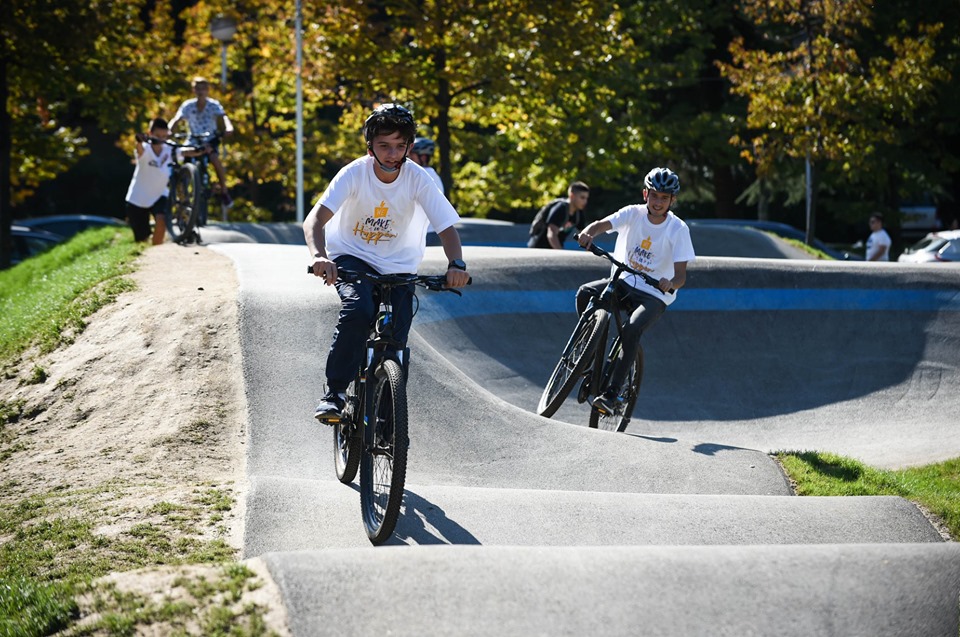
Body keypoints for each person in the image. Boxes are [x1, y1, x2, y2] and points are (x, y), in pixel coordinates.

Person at [304, 103, 471, 422]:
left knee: (397, 334)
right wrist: (320, 257)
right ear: (370, 147)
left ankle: (385, 416)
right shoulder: (355, 172)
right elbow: (315, 221)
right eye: (384, 145)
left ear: (409, 147)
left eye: (400, 146)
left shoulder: (418, 178)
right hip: (353, 257)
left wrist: (457, 265)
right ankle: (336, 392)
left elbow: (447, 228)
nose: (393, 153)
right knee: (359, 310)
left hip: (400, 267)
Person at [575, 167, 695, 415]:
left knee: (631, 330)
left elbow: (681, 275)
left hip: (654, 294)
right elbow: (602, 224)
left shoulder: (678, 229)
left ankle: (613, 393)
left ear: (673, 200)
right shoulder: (633, 214)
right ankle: (587, 350)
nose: (658, 202)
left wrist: (670, 283)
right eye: (654, 195)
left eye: (665, 197)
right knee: (585, 293)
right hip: (624, 281)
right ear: (645, 194)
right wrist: (588, 232)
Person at [168, 76, 235, 208]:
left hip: (210, 140)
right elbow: (176, 119)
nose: (200, 91)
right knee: (180, 159)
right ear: (193, 90)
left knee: (215, 159)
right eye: (198, 88)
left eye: (203, 88)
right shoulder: (188, 105)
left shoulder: (214, 105)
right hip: (193, 140)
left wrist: (229, 128)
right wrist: (169, 131)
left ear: (208, 90)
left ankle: (224, 190)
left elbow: (224, 117)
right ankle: (181, 193)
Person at [125, 118, 175, 244]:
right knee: (142, 239)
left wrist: (200, 150)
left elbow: (185, 152)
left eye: (164, 136)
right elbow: (139, 149)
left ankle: (156, 251)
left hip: (160, 194)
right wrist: (139, 141)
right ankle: (147, 254)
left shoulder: (170, 148)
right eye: (158, 136)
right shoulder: (145, 149)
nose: (161, 139)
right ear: (150, 133)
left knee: (161, 219)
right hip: (137, 199)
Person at [528, 181, 591, 249]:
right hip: (539, 249)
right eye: (582, 197)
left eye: (586, 198)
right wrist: (561, 253)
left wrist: (589, 249)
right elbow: (551, 234)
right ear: (572, 196)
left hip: (555, 249)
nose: (585, 201)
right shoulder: (560, 208)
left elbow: (583, 235)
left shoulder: (579, 213)